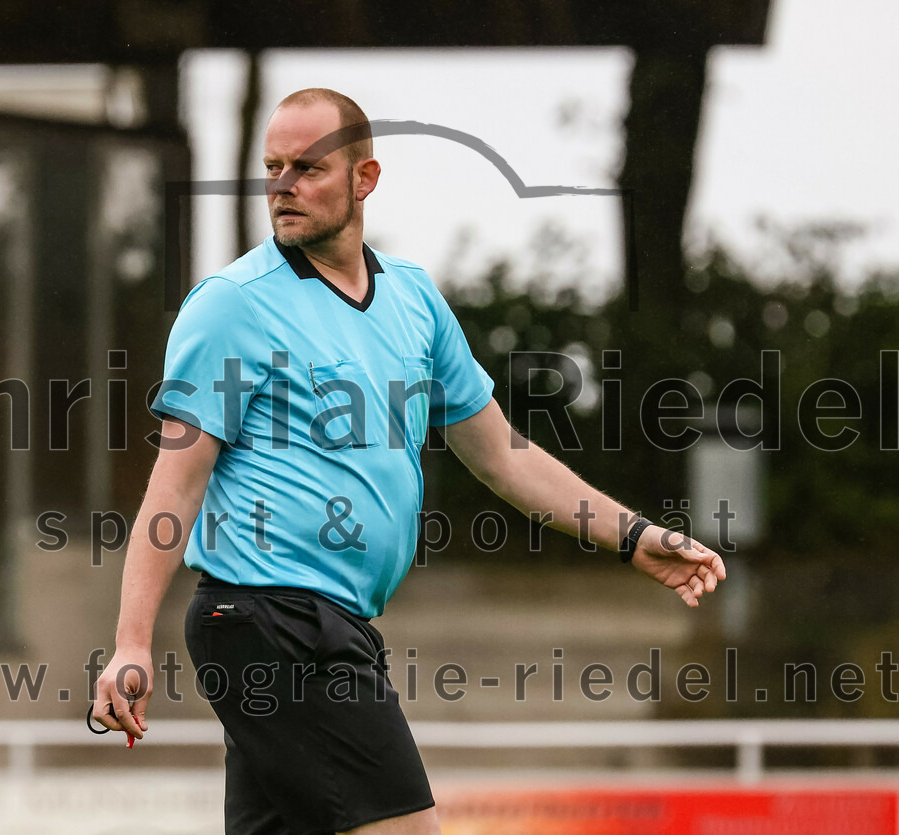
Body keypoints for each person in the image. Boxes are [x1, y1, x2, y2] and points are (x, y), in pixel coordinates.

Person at [92, 88, 727, 835]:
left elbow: (503, 456)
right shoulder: (232, 304)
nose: (283, 186)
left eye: (307, 166)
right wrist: (132, 641)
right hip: (271, 620)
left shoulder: (414, 300)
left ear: (365, 179)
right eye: (272, 167)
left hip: (336, 623)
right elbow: (175, 486)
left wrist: (633, 534)